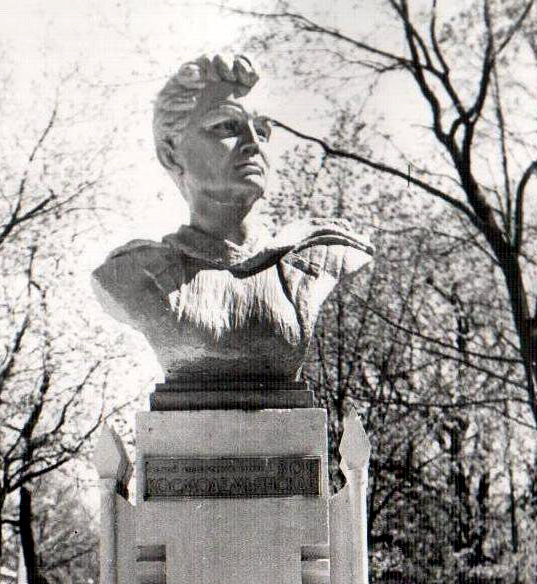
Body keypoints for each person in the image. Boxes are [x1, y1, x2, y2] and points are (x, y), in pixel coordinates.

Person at [92, 54, 373, 387]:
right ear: (171, 154)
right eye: (227, 126)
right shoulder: (134, 274)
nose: (254, 144)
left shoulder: (320, 255)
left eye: (263, 131)